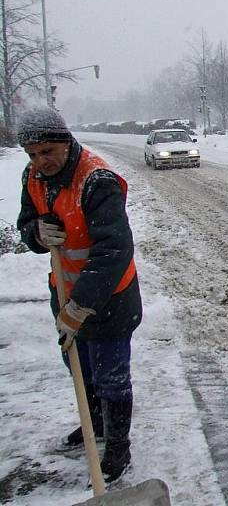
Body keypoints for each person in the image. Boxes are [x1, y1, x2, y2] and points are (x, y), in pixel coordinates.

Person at [16, 109, 141, 483]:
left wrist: (80, 307)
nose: (41, 161)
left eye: (48, 151)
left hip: (109, 302)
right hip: (66, 294)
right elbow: (25, 224)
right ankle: (95, 426)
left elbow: (114, 250)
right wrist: (37, 233)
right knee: (80, 369)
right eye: (33, 154)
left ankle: (117, 445)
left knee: (111, 377)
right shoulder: (35, 177)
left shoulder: (96, 181)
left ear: (66, 142)